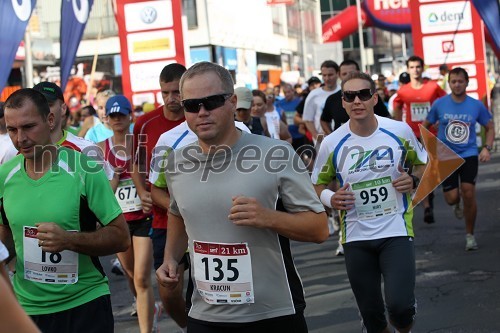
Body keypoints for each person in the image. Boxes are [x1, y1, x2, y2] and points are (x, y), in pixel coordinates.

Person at [156, 62, 328, 333]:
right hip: (206, 313)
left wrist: (268, 217)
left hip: (272, 312)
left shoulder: (277, 154)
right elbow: (178, 213)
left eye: (211, 101)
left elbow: (319, 229)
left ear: (233, 102)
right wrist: (170, 258)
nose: (202, 112)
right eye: (192, 105)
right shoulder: (178, 163)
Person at [0, 88, 130, 333]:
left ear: (50, 120)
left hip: (85, 303)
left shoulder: (84, 168)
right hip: (29, 309)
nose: (20, 138)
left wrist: (68, 240)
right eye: (12, 130)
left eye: (28, 127)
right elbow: (5, 235)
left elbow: (121, 237)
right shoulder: (4, 176)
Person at [312, 72, 427, 333]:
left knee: (400, 309)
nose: (357, 101)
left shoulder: (398, 130)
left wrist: (412, 179)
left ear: (375, 98)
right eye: (349, 96)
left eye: (363, 94)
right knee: (373, 317)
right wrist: (332, 198)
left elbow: (423, 164)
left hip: (396, 230)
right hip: (355, 236)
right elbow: (316, 185)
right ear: (342, 102)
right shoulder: (332, 143)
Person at [131, 63, 187, 330]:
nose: (171, 99)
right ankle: (188, 323)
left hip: (208, 219)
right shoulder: (145, 123)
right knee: (169, 289)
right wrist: (142, 191)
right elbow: (137, 163)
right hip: (164, 219)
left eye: (176, 92)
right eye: (165, 92)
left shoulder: (201, 118)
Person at [97, 95, 158, 333]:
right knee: (131, 275)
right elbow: (104, 192)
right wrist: (115, 176)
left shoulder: (140, 143)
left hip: (143, 218)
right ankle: (146, 307)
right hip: (119, 219)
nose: (117, 120)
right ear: (107, 119)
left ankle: (147, 328)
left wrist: (144, 191)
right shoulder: (102, 148)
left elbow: (152, 177)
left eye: (121, 115)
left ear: (130, 116)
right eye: (113, 116)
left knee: (142, 277)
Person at [422, 67, 495, 251]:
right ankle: (456, 204)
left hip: (469, 154)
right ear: (449, 83)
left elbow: (490, 126)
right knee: (452, 198)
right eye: (453, 81)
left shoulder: (476, 105)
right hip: (446, 156)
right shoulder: (440, 104)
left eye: (460, 81)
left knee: (468, 192)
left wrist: (486, 148)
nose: (457, 84)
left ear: (466, 83)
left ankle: (470, 235)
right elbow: (426, 124)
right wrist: (429, 146)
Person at [393, 55, 447, 224]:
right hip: (412, 135)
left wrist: (440, 120)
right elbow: (396, 107)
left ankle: (428, 195)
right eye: (412, 67)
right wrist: (397, 127)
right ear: (407, 69)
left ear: (422, 69)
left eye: (418, 67)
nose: (415, 70)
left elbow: (445, 102)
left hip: (430, 133)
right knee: (420, 168)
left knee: (431, 169)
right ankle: (427, 206)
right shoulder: (403, 91)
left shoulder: (432, 87)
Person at [32, 82, 114, 180]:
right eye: (38, 105)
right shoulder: (24, 153)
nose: (44, 111)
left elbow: (106, 186)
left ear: (63, 109)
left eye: (49, 105)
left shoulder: (87, 150)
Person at [321, 60, 391, 135]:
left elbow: (386, 117)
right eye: (344, 74)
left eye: (351, 73)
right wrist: (332, 136)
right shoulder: (332, 99)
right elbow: (324, 120)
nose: (356, 101)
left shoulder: (369, 95)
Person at [302, 60, 340, 143]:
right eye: (324, 75)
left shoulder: (343, 92)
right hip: (322, 141)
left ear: (337, 74)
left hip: (341, 139)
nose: (327, 78)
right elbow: (308, 119)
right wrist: (317, 137)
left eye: (330, 75)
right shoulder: (314, 94)